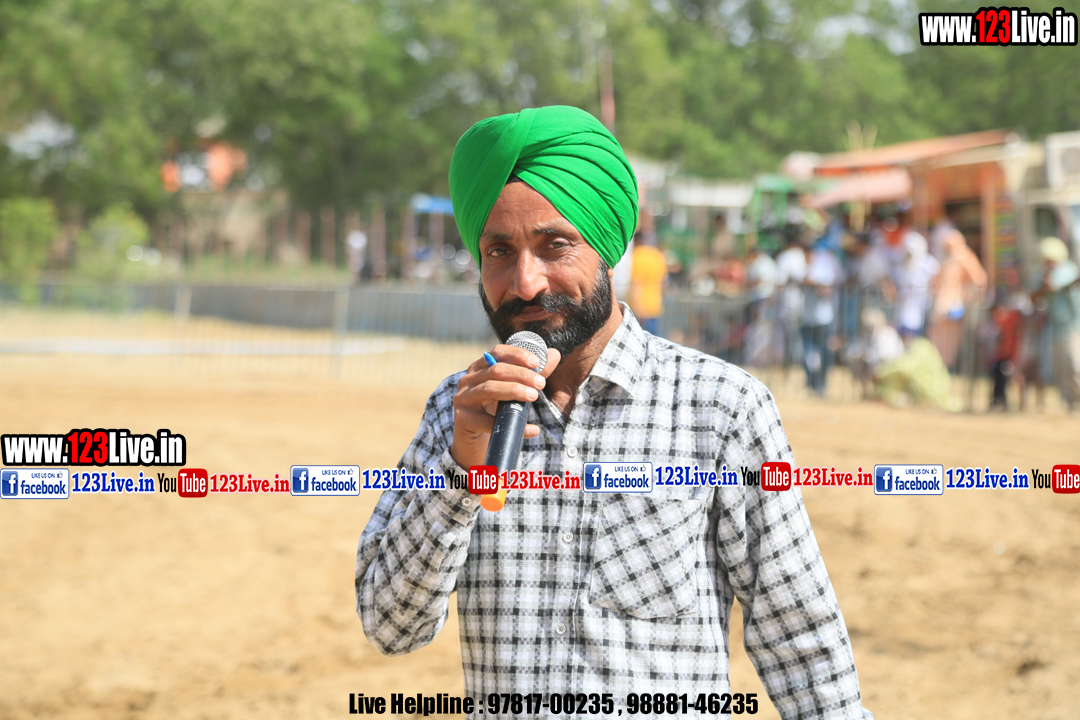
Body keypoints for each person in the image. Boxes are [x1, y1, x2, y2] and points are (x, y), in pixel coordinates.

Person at [355, 106, 872, 718]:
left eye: (555, 245)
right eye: (499, 251)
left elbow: (798, 634)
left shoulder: (720, 407)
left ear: (605, 246)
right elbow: (391, 627)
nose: (525, 282)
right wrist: (461, 479)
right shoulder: (460, 407)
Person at [1032, 236, 1080, 411]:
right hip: (1055, 329)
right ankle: (1070, 405)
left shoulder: (1068, 270)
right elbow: (1033, 295)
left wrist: (1046, 281)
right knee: (1062, 369)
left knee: (1075, 365)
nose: (1048, 263)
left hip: (1074, 327)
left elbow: (1053, 286)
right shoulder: (1043, 273)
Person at [930, 229, 986, 370]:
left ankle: (946, 366)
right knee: (938, 338)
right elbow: (936, 281)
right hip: (942, 306)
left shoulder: (963, 256)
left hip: (955, 306)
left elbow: (979, 279)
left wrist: (973, 298)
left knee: (951, 340)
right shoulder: (947, 259)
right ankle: (939, 365)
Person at [628, 231, 667, 336]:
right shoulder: (657, 255)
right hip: (655, 306)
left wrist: (637, 308)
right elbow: (664, 282)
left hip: (640, 308)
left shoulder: (636, 255)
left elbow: (636, 284)